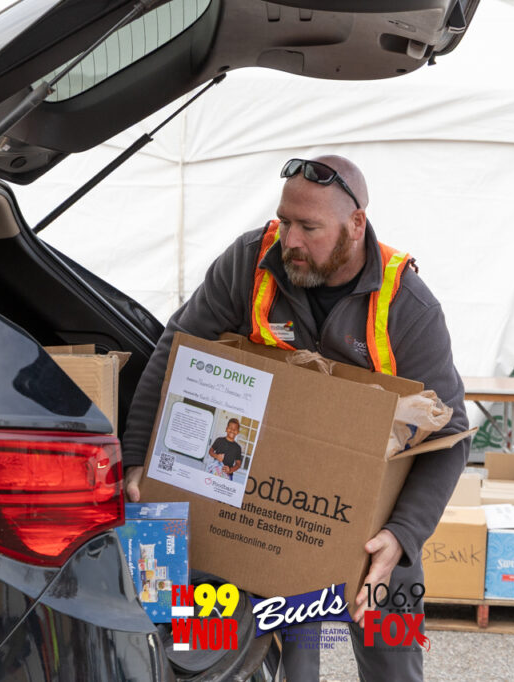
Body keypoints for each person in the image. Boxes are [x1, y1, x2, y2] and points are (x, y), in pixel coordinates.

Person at [122, 155, 469, 682]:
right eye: (285, 221)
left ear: (356, 224)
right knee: (240, 652)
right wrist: (137, 459)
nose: (291, 240)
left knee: (393, 658)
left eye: (309, 227)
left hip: (370, 518)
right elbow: (177, 350)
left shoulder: (408, 306)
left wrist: (402, 535)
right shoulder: (249, 263)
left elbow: (452, 433)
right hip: (263, 505)